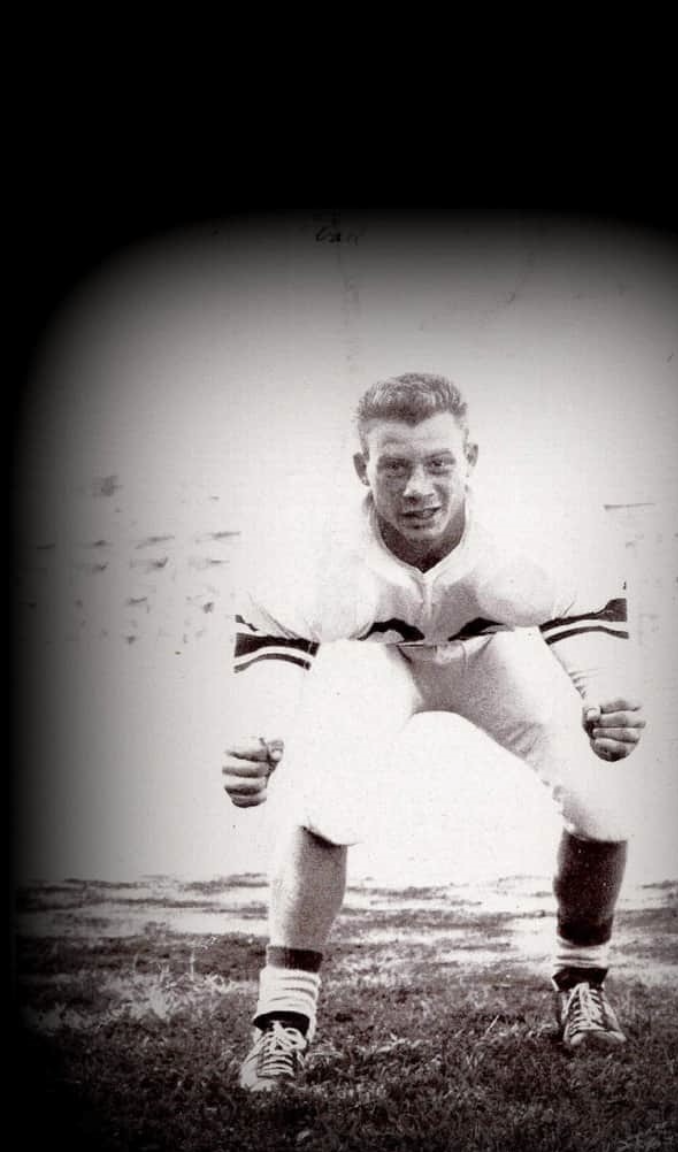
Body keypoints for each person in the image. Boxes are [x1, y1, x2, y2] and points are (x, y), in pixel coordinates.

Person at [223, 372, 646, 1091]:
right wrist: (256, 740)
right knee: (326, 805)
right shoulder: (321, 546)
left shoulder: (525, 528)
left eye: (439, 463)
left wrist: (605, 698)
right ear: (361, 468)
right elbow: (270, 631)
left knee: (603, 795)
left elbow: (586, 608)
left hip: (491, 654)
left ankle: (583, 984)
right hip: (378, 660)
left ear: (470, 459)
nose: (418, 489)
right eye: (394, 466)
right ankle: (280, 1024)